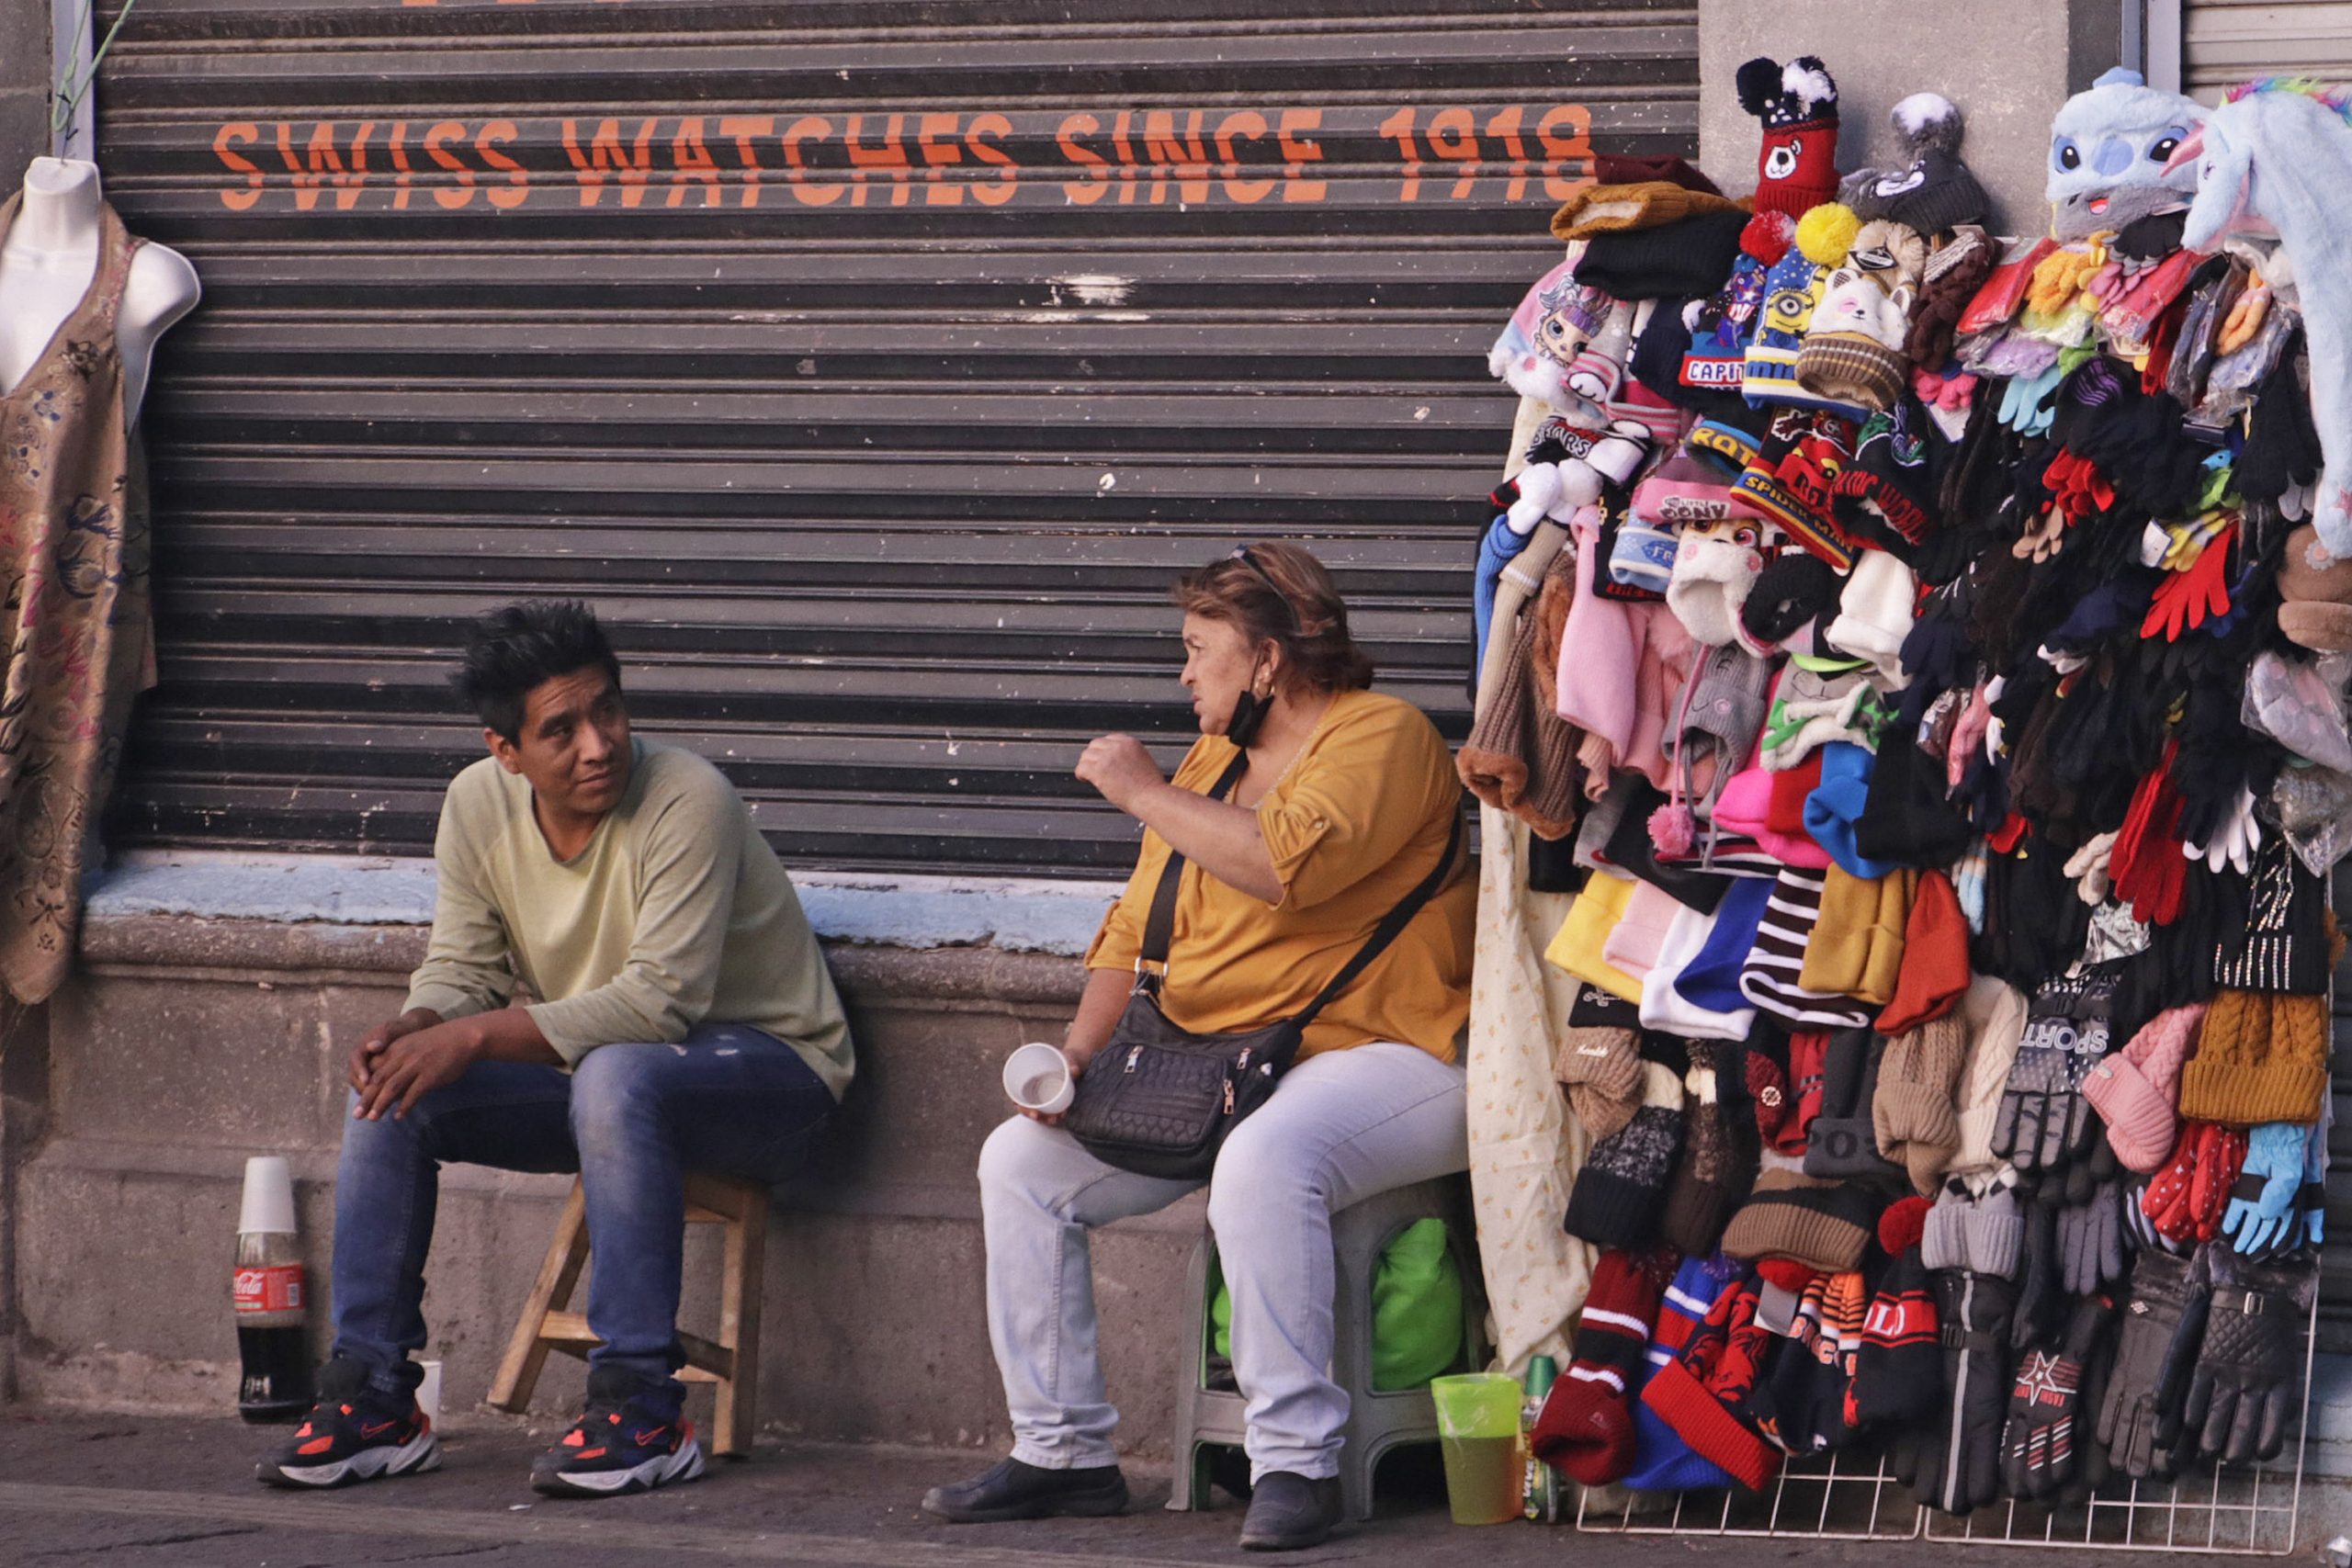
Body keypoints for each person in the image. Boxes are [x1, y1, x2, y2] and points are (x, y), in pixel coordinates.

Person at [922, 543, 1474, 1551]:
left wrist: (1140, 792)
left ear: (1265, 661)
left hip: (1392, 1058)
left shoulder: (1381, 737)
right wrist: (1076, 1062)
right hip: (1216, 1068)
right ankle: (1064, 1452)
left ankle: (1296, 1462)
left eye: (1198, 650)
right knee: (1021, 1161)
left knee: (1269, 1159)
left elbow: (1284, 865)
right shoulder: (1210, 766)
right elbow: (1131, 934)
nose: (1184, 674)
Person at [257, 600, 853, 1497]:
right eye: (561, 729)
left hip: (773, 1084)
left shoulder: (687, 797)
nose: (598, 744)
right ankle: (375, 1399)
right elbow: (463, 967)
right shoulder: (475, 804)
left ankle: (643, 1413)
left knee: (618, 1070)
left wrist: (474, 1035)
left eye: (607, 709)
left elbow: (660, 1002)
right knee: (392, 1090)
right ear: (507, 751)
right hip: (608, 1091)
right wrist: (423, 1025)